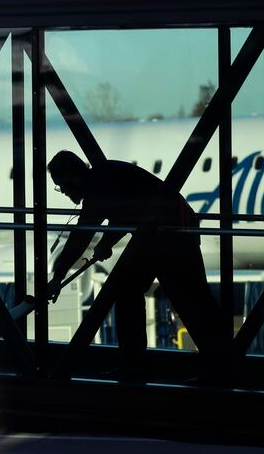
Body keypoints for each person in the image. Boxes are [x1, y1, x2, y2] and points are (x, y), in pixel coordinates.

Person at [47, 150, 228, 381]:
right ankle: (218, 364)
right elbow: (126, 213)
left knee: (173, 296)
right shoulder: (104, 177)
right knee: (190, 298)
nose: (62, 191)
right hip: (168, 230)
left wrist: (58, 277)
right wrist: (105, 242)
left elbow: (81, 236)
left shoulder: (96, 189)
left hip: (165, 234)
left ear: (70, 176)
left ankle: (137, 365)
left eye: (60, 185)